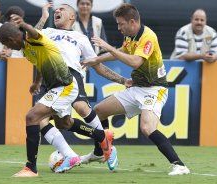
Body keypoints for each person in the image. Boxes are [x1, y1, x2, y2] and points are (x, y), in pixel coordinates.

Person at [0, 15, 114, 176]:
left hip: (65, 86)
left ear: (11, 39)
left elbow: (34, 32)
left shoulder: (32, 38)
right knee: (63, 123)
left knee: (32, 117)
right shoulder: (26, 49)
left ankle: (31, 168)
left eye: (6, 44)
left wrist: (24, 23)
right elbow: (41, 63)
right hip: (57, 86)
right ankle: (101, 136)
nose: (7, 47)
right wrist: (37, 82)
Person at [81, 3, 190, 176]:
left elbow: (135, 62)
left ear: (132, 22)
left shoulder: (148, 37)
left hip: (155, 89)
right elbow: (122, 50)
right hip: (137, 87)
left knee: (147, 128)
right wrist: (96, 59)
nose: (118, 28)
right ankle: (100, 152)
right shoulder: (131, 35)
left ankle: (179, 165)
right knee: (99, 111)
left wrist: (107, 47)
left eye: (120, 24)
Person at [35, 3, 126, 170]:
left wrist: (122, 80)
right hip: (51, 79)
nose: (58, 11)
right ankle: (88, 148)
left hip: (71, 76)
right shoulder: (47, 33)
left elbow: (97, 66)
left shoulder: (80, 38)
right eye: (57, 10)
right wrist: (43, 19)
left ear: (72, 17)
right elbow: (30, 39)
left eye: (62, 9)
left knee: (81, 106)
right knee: (60, 123)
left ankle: (106, 148)